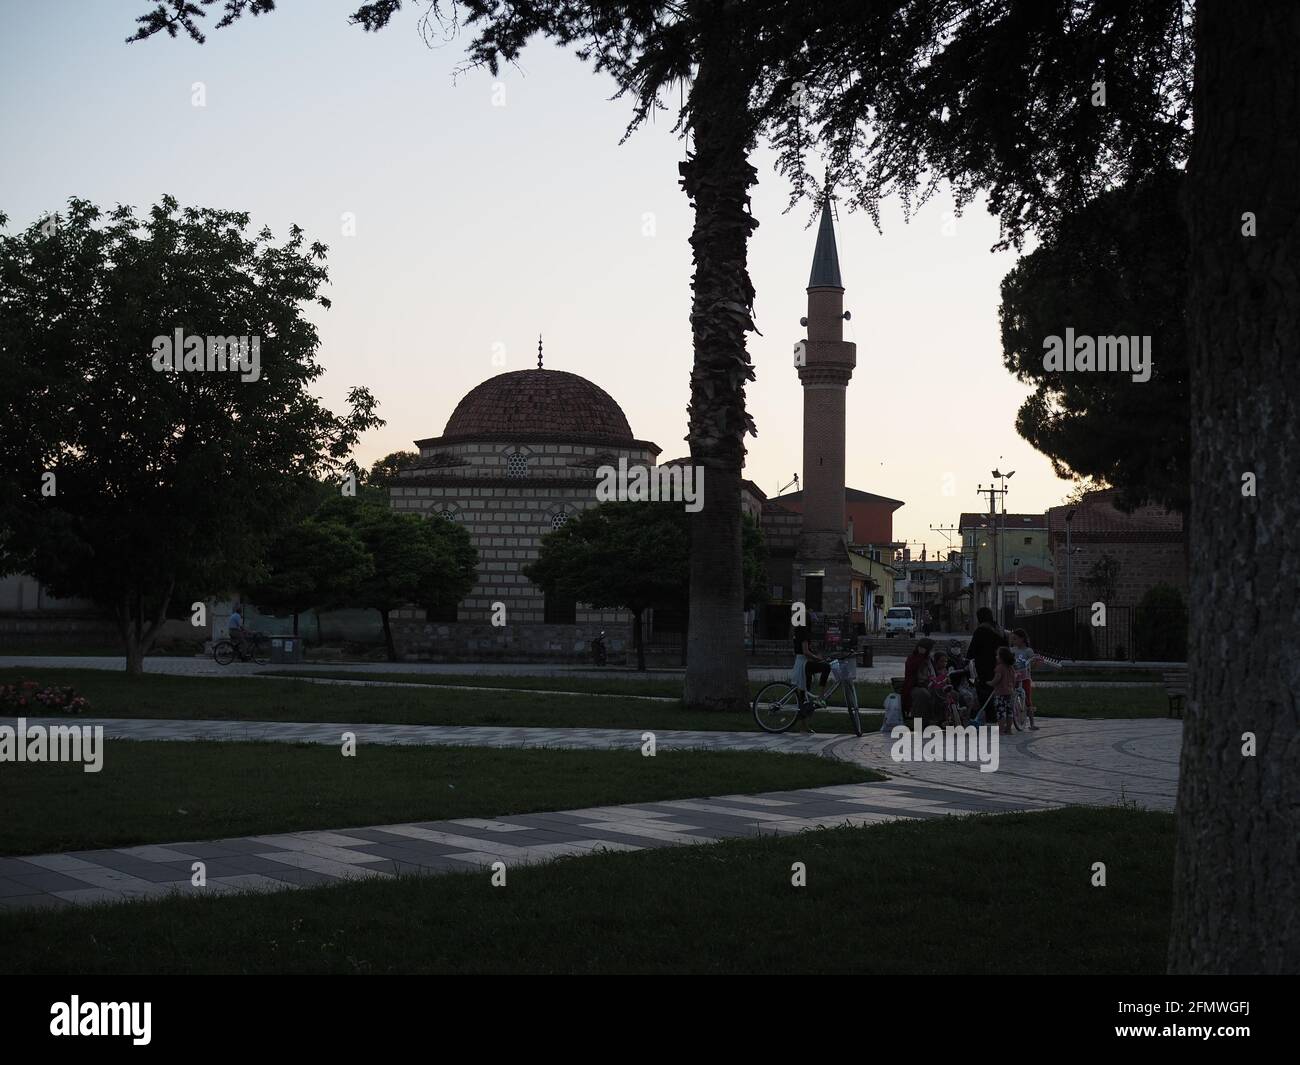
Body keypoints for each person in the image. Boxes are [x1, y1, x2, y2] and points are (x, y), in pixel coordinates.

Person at [1010, 628, 1060, 730]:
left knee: (1028, 698)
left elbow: (1033, 661)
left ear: (1022, 639)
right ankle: (1011, 719)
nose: (1013, 641)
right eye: (1012, 639)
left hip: (1025, 677)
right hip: (1014, 677)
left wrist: (1034, 661)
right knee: (1011, 696)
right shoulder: (1013, 650)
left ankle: (1032, 723)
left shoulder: (1028, 650)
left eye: (1015, 639)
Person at [966, 606, 1008, 726]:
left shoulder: (981, 630)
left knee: (985, 691)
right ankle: (1001, 717)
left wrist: (966, 661)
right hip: (999, 665)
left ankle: (991, 718)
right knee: (998, 691)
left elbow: (972, 650)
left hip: (984, 666)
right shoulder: (998, 629)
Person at [790, 614, 831, 732]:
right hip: (804, 664)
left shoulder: (798, 631)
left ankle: (804, 726)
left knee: (804, 696)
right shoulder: (804, 632)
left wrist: (815, 657)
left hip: (801, 662)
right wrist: (818, 659)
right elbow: (806, 652)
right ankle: (821, 696)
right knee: (826, 667)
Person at [900, 637, 937, 722]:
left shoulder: (930, 659)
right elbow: (912, 670)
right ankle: (920, 724)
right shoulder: (912, 658)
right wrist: (920, 655)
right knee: (923, 694)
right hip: (915, 687)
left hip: (930, 685)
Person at [991, 645, 1017, 734]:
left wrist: (991, 683)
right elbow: (1014, 680)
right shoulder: (1011, 668)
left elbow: (997, 678)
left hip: (1000, 693)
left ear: (1002, 657)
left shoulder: (999, 667)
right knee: (1009, 712)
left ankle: (1001, 730)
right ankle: (1009, 730)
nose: (996, 657)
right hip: (1010, 693)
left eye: (998, 655)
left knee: (1001, 712)